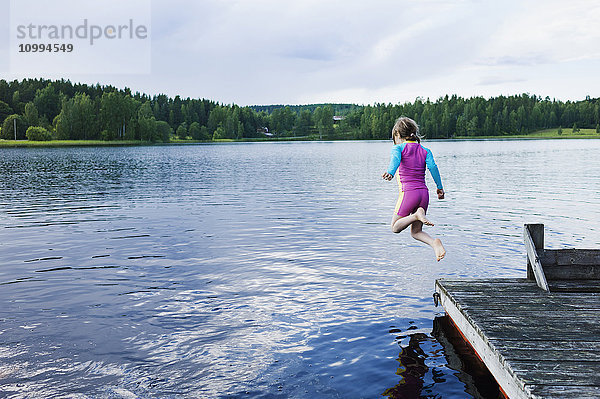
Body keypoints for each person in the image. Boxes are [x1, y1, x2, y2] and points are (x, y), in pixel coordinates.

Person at [382, 117, 446, 261]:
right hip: (424, 194)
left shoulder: (398, 148)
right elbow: (433, 168)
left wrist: (390, 172)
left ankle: (417, 215)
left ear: (398, 134)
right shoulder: (425, 150)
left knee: (395, 227)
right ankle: (434, 243)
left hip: (408, 194)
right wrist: (440, 188)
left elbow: (395, 160)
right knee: (416, 232)